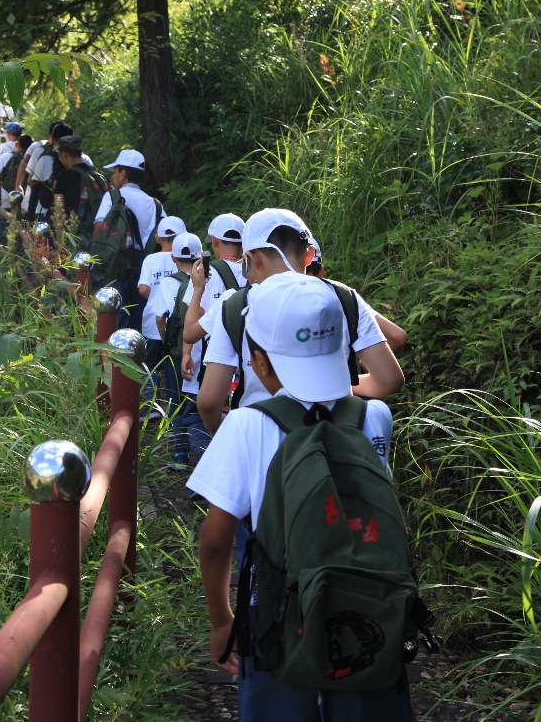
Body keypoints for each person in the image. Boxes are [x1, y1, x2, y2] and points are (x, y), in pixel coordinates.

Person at [186, 276, 412, 721]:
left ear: (259, 363)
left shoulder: (246, 426)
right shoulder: (376, 416)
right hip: (364, 610)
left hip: (274, 617)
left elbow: (214, 541)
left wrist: (220, 621)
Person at [195, 209, 404, 436]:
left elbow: (208, 402)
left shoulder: (236, 306)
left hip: (260, 435)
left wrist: (227, 433)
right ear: (309, 254)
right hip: (335, 436)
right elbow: (389, 380)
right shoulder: (342, 297)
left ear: (252, 260)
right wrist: (335, 383)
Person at [149, 231, 209, 468]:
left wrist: (167, 342)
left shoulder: (168, 283)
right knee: (196, 401)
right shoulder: (207, 279)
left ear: (173, 258)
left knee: (174, 400)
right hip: (203, 351)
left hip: (177, 351)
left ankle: (180, 454)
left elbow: (159, 319)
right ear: (199, 258)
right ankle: (204, 452)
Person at [91, 148, 163, 330]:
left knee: (116, 314)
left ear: (123, 173)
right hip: (144, 267)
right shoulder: (154, 204)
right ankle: (138, 354)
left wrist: (98, 255)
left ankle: (115, 356)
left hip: (118, 265)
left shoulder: (113, 196)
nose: (113, 176)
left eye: (115, 171)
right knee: (139, 317)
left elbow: (99, 226)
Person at [179, 212, 247, 390]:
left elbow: (194, 316)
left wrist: (186, 353)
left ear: (215, 241)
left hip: (214, 359)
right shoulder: (255, 271)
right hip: (247, 356)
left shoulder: (205, 273)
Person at [138, 215, 185, 412]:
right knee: (176, 367)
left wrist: (155, 293)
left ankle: (152, 406)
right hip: (178, 324)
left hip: (152, 321)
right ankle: (177, 407)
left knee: (150, 365)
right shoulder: (183, 258)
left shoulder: (151, 259)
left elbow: (143, 289)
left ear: (158, 238)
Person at [0, 122, 25, 245]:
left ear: (9, 134)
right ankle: (19, 249)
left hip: (5, 192)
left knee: (3, 222)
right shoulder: (27, 149)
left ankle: (3, 248)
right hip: (23, 195)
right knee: (21, 223)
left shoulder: (4, 149)